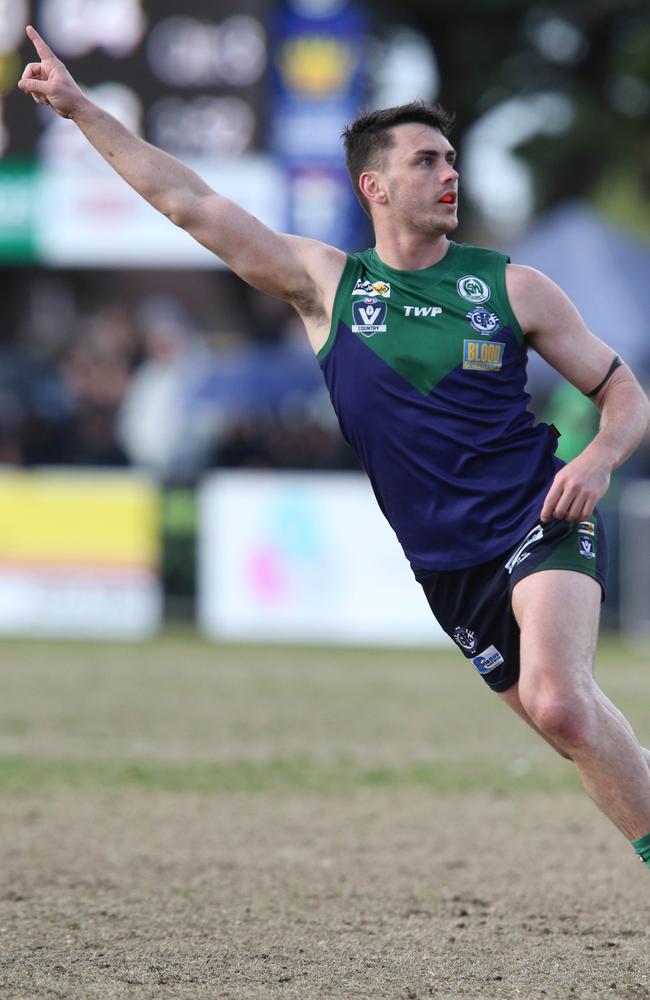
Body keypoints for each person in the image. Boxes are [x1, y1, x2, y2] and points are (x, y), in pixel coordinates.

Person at [19, 25, 650, 872]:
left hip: (540, 519)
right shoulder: (329, 286)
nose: (449, 172)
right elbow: (190, 204)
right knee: (566, 722)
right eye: (426, 160)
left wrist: (598, 458)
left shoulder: (511, 285)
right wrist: (80, 109)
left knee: (561, 703)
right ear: (374, 186)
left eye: (452, 159)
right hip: (447, 567)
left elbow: (624, 393)